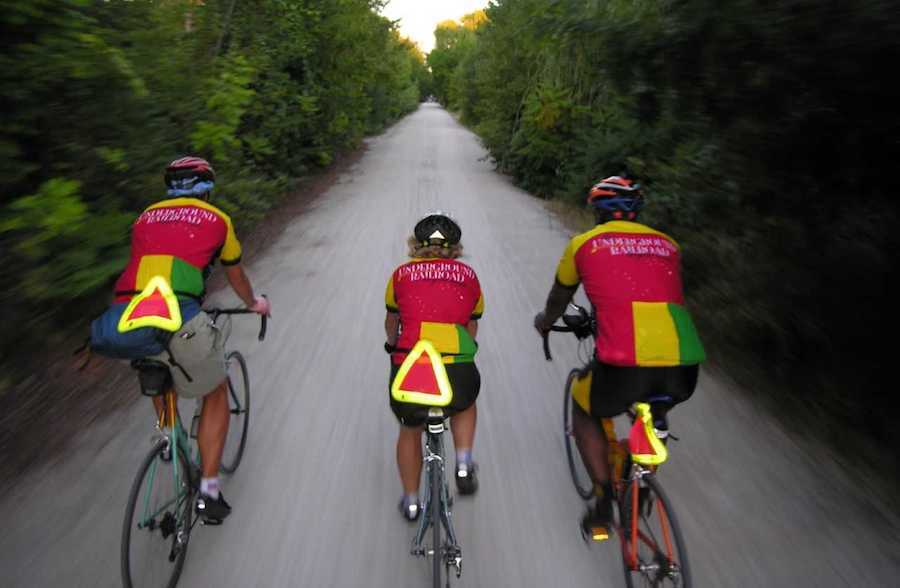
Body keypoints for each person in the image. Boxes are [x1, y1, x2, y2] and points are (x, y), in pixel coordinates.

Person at [534, 175, 705, 534]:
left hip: (623, 363)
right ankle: (642, 484)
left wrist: (546, 322)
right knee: (656, 406)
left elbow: (559, 297)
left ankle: (602, 501)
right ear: (636, 212)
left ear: (597, 211)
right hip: (684, 362)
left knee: (585, 409)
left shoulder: (584, 244)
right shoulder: (669, 244)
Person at [111, 156, 270, 523]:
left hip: (129, 318)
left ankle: (170, 435)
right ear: (206, 189)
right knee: (215, 389)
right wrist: (253, 303)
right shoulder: (217, 219)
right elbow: (235, 274)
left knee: (157, 366)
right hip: (180, 316)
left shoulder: (145, 217)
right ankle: (209, 491)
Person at [384, 212, 484, 521]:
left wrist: (392, 345)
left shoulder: (400, 275)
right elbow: (472, 327)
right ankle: (464, 462)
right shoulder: (469, 276)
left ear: (416, 245)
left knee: (410, 428)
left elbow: (392, 322)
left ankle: (411, 502)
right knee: (465, 402)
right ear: (455, 248)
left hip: (412, 366)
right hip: (456, 368)